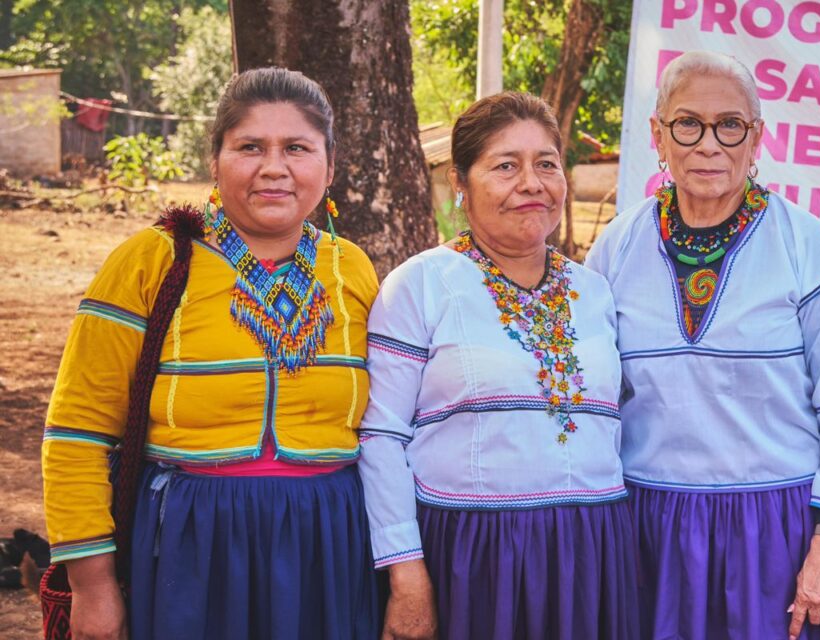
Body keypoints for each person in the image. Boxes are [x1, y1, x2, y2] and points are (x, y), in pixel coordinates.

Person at [42, 67, 380, 639]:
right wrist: (94, 588)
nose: (274, 167)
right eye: (250, 147)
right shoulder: (152, 261)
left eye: (297, 148)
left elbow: (392, 427)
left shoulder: (352, 269)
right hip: (191, 542)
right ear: (215, 160)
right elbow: (77, 431)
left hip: (329, 541)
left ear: (329, 164)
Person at [585, 51, 820, 640]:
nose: (708, 145)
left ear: (756, 136)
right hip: (651, 525)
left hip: (776, 528)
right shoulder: (616, 249)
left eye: (730, 126)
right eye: (688, 124)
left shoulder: (805, 244)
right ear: (658, 135)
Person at [358, 91, 636, 640]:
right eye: (506, 166)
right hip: (473, 554)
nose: (531, 183)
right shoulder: (419, 286)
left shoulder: (595, 293)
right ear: (460, 183)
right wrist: (406, 573)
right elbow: (381, 436)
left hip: (592, 547)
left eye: (546, 164)